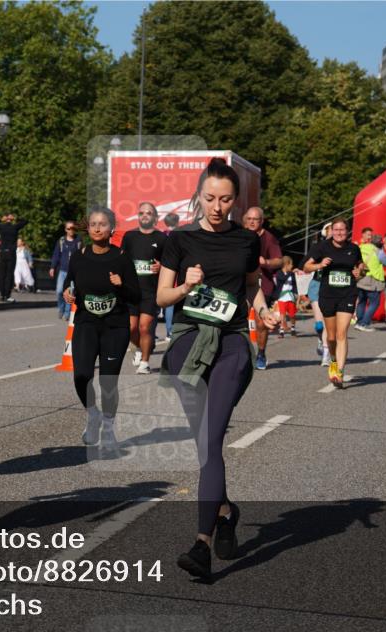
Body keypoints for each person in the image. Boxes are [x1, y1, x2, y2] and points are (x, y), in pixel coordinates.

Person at [156, 158, 279, 579]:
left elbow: (250, 288)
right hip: (187, 344)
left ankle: (202, 544)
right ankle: (225, 512)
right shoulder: (179, 239)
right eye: (210, 198)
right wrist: (186, 285)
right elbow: (161, 298)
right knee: (203, 444)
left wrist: (265, 313)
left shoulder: (246, 241)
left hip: (230, 346)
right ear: (199, 195)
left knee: (210, 444)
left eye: (225, 199)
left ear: (236, 200)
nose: (217, 206)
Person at [63, 207, 140, 449]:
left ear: (111, 229)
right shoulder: (78, 256)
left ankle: (108, 427)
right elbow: (70, 282)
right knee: (81, 375)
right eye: (93, 223)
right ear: (88, 227)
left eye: (103, 224)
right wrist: (67, 292)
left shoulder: (121, 258)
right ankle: (92, 413)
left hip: (115, 326)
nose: (97, 228)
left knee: (108, 380)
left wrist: (121, 285)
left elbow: (136, 295)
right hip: (86, 323)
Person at [303, 219, 364, 388]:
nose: (339, 233)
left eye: (342, 230)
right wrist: (319, 265)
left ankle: (340, 372)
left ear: (348, 231)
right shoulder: (322, 247)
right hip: (328, 295)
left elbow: (360, 266)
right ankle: (334, 361)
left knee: (341, 333)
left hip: (348, 294)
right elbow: (306, 267)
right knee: (331, 337)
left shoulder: (353, 248)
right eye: (336, 230)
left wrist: (360, 270)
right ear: (332, 231)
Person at [120, 202, 166, 375]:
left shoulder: (162, 239)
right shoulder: (130, 236)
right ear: (138, 216)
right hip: (131, 291)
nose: (144, 215)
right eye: (141, 213)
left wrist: (161, 266)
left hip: (150, 292)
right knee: (131, 328)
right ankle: (139, 348)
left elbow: (169, 264)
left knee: (145, 327)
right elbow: (121, 260)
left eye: (148, 213)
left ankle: (145, 362)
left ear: (155, 217)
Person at [242, 206, 283, 370]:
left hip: (261, 283)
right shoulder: (240, 235)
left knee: (261, 323)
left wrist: (266, 262)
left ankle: (261, 353)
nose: (252, 222)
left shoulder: (269, 238)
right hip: (242, 282)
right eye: (249, 219)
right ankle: (243, 353)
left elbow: (279, 261)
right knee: (238, 320)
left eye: (256, 219)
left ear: (261, 221)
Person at [304, 222, 333, 366]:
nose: (333, 232)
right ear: (325, 233)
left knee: (327, 323)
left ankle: (326, 356)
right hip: (316, 285)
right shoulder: (319, 248)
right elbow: (305, 265)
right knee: (319, 325)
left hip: (331, 287)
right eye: (330, 230)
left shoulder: (341, 249)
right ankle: (321, 339)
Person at [353, 227, 386, 332]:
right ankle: (364, 323)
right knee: (374, 303)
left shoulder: (360, 247)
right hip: (373, 280)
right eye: (368, 234)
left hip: (361, 278)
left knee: (362, 302)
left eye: (370, 235)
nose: (369, 236)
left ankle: (359, 322)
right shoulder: (378, 251)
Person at [0, 213, 29, 303]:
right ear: (11, 219)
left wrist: (1, 219)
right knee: (9, 274)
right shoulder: (14, 227)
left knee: (2, 274)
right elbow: (25, 221)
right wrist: (16, 217)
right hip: (11, 253)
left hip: (3, 252)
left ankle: (2, 294)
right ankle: (7, 295)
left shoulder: (2, 227)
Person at [51, 221, 82, 320]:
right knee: (59, 291)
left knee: (71, 293)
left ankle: (67, 313)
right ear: (65, 230)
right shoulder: (61, 241)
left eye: (72, 228)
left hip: (74, 272)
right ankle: (61, 308)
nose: (71, 230)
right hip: (63, 270)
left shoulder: (78, 241)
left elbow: (82, 255)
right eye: (68, 228)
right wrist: (52, 267)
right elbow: (56, 255)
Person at [161, 213, 181, 340]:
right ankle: (174, 329)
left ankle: (169, 331)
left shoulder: (162, 235)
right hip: (178, 269)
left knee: (169, 302)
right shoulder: (181, 234)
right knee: (176, 300)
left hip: (165, 269)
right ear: (177, 222)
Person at [275, 256, 298, 337]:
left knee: (292, 314)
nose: (292, 266)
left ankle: (293, 328)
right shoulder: (279, 273)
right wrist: (291, 272)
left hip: (290, 297)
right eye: (291, 264)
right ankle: (281, 331)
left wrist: (296, 293)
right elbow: (283, 279)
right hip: (282, 297)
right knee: (282, 314)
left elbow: (294, 284)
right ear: (286, 264)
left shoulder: (292, 274)